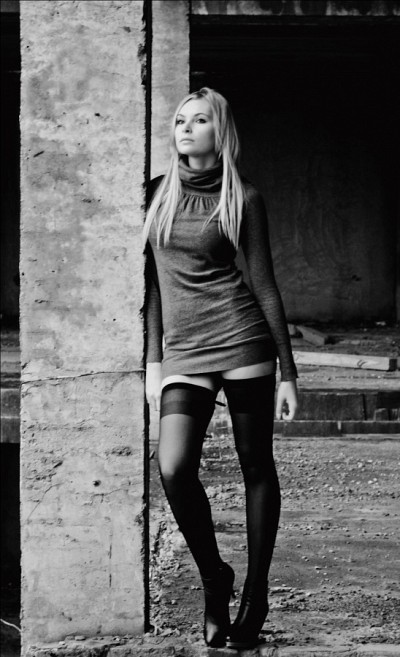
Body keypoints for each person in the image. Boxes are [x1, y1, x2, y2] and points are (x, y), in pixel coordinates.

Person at [143, 87, 298, 650]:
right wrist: (153, 361)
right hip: (186, 350)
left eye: (199, 120)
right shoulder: (156, 193)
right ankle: (216, 578)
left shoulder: (243, 197)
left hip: (243, 339)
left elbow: (264, 284)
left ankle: (256, 593)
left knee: (256, 465)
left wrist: (288, 372)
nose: (186, 128)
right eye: (180, 120)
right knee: (174, 466)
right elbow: (151, 286)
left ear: (220, 130)